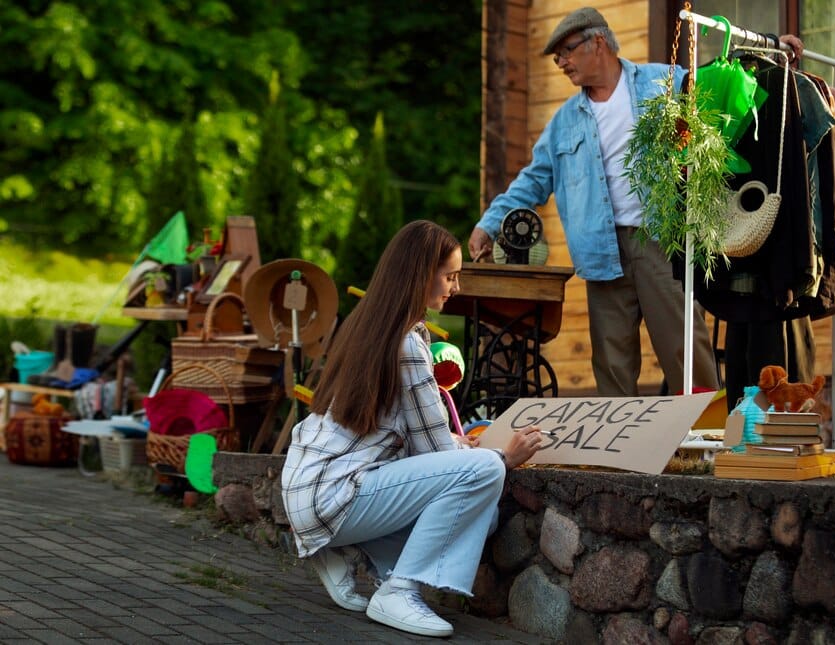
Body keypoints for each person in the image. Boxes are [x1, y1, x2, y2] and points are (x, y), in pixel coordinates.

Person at [468, 7, 804, 398]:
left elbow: (724, 84)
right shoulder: (564, 121)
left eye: (566, 51)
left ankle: (706, 432)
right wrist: (488, 224)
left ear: (597, 42)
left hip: (660, 241)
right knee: (612, 362)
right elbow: (531, 181)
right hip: (601, 253)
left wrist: (771, 48)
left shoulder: (662, 82)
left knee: (685, 349)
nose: (561, 63)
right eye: (556, 57)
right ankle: (619, 438)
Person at [281, 220, 543, 638]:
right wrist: (502, 455)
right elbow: (438, 454)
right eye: (450, 276)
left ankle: (346, 549)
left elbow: (410, 434)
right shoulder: (407, 343)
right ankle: (399, 591)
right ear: (421, 274)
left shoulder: (366, 327)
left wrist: (461, 442)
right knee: (486, 473)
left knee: (485, 516)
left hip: (308, 488)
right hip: (333, 494)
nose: (456, 287)